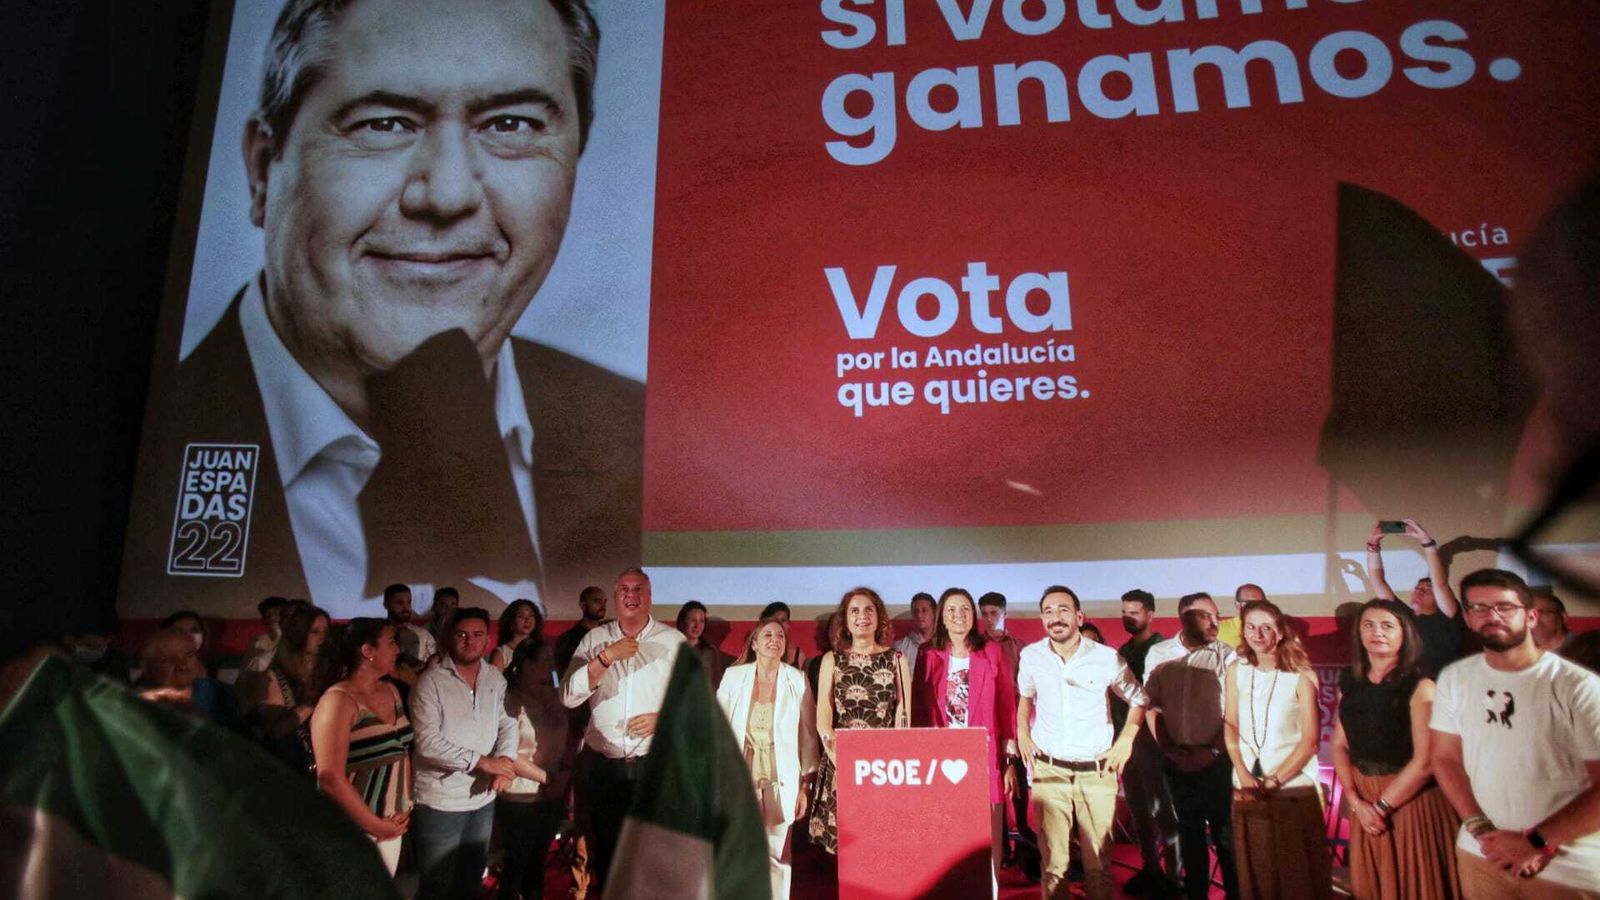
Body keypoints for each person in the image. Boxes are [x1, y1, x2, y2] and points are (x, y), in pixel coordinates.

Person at [119, 0, 639, 614]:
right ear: (262, 170)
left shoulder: (638, 443)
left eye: (512, 124)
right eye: (384, 123)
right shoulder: (133, 471)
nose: (446, 194)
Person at [1429, 568, 1600, 898]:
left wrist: (1536, 842)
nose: (1491, 616)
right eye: (1478, 608)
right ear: (1466, 617)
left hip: (1565, 865)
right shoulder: (1455, 678)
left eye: (1504, 607)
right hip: (1482, 855)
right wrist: (1479, 830)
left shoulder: (1578, 685)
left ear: (1531, 616)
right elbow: (1445, 759)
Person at [1017, 584, 1147, 900]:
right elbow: (1025, 698)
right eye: (1048, 611)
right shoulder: (1031, 656)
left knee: (1098, 866)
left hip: (1097, 771)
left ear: (1078, 616)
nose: (1055, 617)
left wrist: (1126, 740)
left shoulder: (1106, 658)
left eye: (1063, 610)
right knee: (1054, 867)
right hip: (1049, 771)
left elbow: (1139, 699)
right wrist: (1022, 731)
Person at [560, 568, 687, 893]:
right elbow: (569, 696)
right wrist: (605, 658)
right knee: (606, 857)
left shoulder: (672, 641)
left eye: (639, 589)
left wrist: (663, 718)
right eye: (624, 590)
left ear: (650, 596)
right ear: (615, 598)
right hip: (605, 765)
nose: (632, 596)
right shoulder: (594, 639)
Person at [1332, 598, 1461, 900]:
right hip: (1363, 801)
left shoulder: (1421, 685)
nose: (1377, 632)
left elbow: (1426, 760)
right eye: (1369, 625)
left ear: (1405, 634)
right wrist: (1355, 801)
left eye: (1387, 625)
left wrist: (1380, 807)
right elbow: (1339, 744)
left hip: (1409, 801)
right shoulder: (1350, 680)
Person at [1223, 599, 1331, 900]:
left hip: (1290, 788)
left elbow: (1310, 742)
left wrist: (1274, 781)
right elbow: (1230, 724)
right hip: (1246, 785)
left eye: (1266, 627)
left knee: (1296, 877)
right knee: (1257, 874)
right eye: (1251, 627)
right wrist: (1243, 773)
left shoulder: (1301, 675)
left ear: (1280, 632)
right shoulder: (1236, 670)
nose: (1257, 634)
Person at [411, 607, 520, 900]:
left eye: (477, 635)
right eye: (462, 635)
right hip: (440, 802)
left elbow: (508, 723)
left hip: (482, 799)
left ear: (487, 639)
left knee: (471, 882)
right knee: (436, 886)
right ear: (450, 637)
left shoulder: (495, 679)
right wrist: (485, 762)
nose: (469, 642)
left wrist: (506, 761)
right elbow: (427, 742)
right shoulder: (430, 682)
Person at [910, 587, 1019, 870]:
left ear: (973, 615)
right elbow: (920, 709)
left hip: (984, 755)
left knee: (988, 836)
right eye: (951, 610)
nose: (958, 615)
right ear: (942, 618)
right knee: (946, 835)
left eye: (965, 609)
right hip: (939, 757)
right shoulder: (928, 654)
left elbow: (1007, 706)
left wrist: (1009, 759)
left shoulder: (992, 651)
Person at [1144, 592, 1241, 900]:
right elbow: (1151, 705)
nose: (1216, 622)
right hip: (1176, 760)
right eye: (1206, 616)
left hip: (1217, 760)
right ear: (1184, 617)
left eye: (1216, 616)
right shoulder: (1159, 654)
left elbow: (1234, 711)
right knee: (1190, 835)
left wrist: (1212, 751)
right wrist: (1169, 749)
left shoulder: (1227, 655)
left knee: (1227, 838)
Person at [717, 618, 820, 900]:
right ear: (754, 643)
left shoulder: (796, 679)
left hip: (781, 776)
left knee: (776, 853)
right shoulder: (734, 676)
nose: (774, 639)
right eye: (767, 634)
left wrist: (805, 785)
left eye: (780, 636)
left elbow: (808, 736)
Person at [811, 587, 912, 854]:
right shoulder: (832, 660)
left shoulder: (897, 659)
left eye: (869, 610)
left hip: (884, 767)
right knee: (850, 851)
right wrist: (841, 759)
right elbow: (823, 716)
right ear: (845, 619)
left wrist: (892, 761)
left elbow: (904, 713)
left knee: (882, 848)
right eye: (854, 611)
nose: (862, 616)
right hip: (842, 762)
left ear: (879, 617)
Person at [310, 617, 414, 875]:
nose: (397, 650)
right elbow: (330, 777)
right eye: (391, 642)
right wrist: (376, 826)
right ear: (367, 651)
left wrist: (404, 804)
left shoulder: (391, 691)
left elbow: (402, 752)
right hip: (354, 829)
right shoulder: (338, 701)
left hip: (390, 824)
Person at [1116, 588, 1180, 895]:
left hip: (1156, 743)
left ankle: (1174, 876)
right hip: (1127, 743)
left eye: (1135, 612)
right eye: (1124, 612)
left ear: (1150, 614)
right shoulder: (1121, 652)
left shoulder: (1165, 649)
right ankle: (1150, 869)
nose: (1128, 617)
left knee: (1162, 810)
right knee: (1138, 810)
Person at [498, 637, 570, 900]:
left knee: (538, 863)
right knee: (517, 863)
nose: (551, 665)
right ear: (526, 665)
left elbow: (566, 739)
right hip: (520, 792)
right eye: (544, 660)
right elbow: (508, 752)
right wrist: (547, 778)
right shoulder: (509, 700)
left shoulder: (554, 695)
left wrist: (562, 776)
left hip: (553, 790)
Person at [240, 602, 334, 772]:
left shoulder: (328, 671)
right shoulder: (274, 677)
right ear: (299, 634)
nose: (323, 638)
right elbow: (276, 731)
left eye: (326, 632)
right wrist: (315, 701)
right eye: (315, 632)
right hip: (291, 768)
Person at [1368, 518, 1464, 676]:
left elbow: (1440, 584)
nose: (1420, 591)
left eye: (1427, 589)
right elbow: (1378, 581)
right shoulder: (1404, 616)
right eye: (1418, 587)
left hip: (1439, 691)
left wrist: (1426, 543)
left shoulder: (1448, 618)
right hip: (1406, 691)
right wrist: (1373, 544)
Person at [137, 626, 243, 732]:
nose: (183, 666)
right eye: (169, 660)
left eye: (189, 656)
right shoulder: (139, 703)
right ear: (147, 669)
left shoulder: (222, 694)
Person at [677, 599, 733, 688]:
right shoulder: (671, 648)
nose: (697, 626)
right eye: (692, 620)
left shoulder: (710, 652)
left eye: (701, 621)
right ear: (682, 622)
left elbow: (716, 684)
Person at [383, 583, 436, 676]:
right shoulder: (378, 632)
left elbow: (434, 666)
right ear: (386, 604)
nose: (406, 608)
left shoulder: (423, 634)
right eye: (399, 603)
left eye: (409, 602)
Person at [554, 585, 609, 673]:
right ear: (583, 605)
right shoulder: (568, 639)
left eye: (604, 601)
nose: (603, 605)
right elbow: (556, 671)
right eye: (597, 601)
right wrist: (558, 685)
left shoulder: (609, 634)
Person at [160, 610, 217, 677]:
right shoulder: (159, 667)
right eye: (181, 631)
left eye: (194, 630)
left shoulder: (216, 664)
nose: (189, 636)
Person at [893, 591, 937, 675]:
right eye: (916, 611)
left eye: (924, 610)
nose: (919, 615)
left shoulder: (946, 644)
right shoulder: (899, 648)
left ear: (934, 613)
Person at [492, 598, 543, 670]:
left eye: (531, 615)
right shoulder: (501, 654)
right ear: (511, 622)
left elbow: (553, 675)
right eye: (521, 616)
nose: (527, 620)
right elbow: (494, 680)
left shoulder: (541, 650)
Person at [759, 601, 809, 669]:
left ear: (788, 624)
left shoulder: (798, 655)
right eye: (775, 620)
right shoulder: (756, 650)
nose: (780, 624)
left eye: (783, 620)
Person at [1216, 583, 1265, 651]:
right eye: (1249, 604)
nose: (1255, 608)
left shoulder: (1274, 628)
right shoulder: (1218, 630)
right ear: (1238, 605)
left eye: (1260, 604)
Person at [245, 595, 288, 670]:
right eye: (268, 614)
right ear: (264, 620)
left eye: (276, 613)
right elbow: (246, 671)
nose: (272, 617)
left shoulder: (296, 639)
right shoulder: (257, 642)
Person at [1531, 587, 1576, 655]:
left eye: (1542, 612)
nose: (1535, 619)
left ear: (1563, 617)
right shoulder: (1519, 651)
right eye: (1530, 614)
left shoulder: (1585, 647)